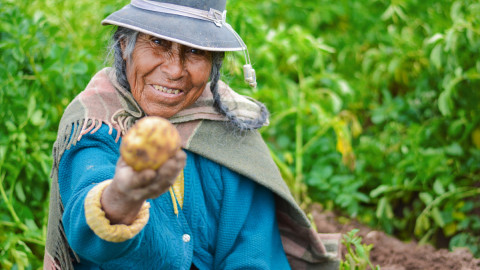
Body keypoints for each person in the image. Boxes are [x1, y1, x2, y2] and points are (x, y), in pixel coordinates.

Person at [44, 0, 341, 269]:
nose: (175, 70)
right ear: (124, 45)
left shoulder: (229, 130)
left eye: (196, 51)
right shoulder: (97, 122)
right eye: (158, 42)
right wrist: (122, 197)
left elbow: (254, 254)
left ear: (214, 61)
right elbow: (87, 207)